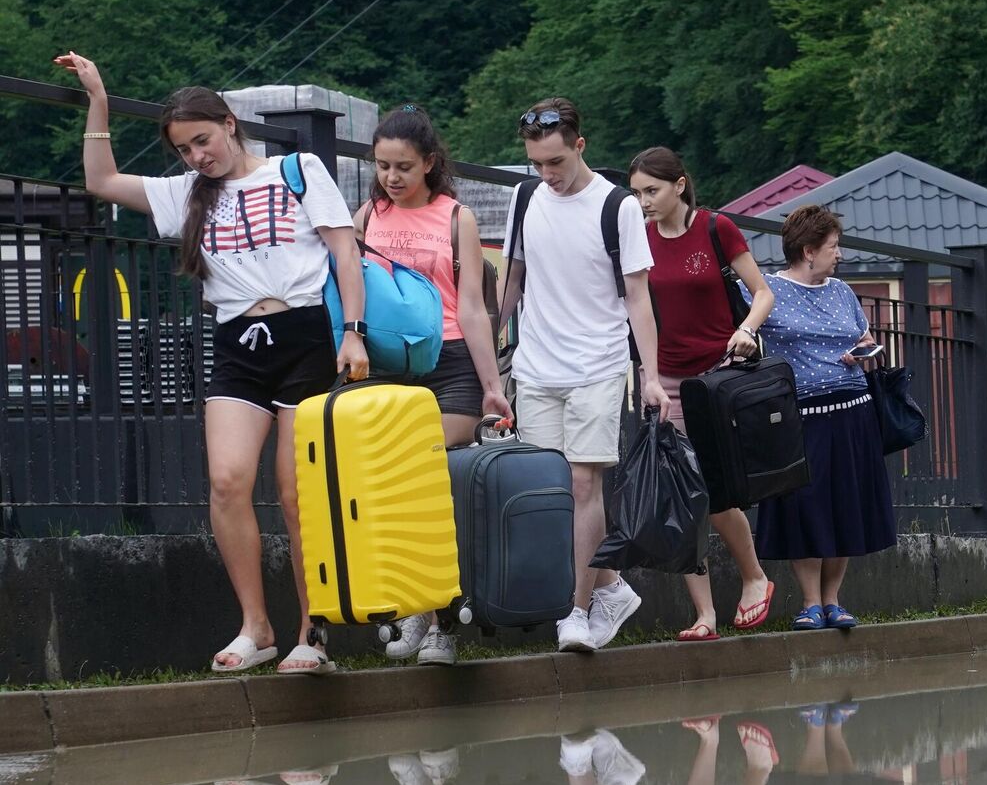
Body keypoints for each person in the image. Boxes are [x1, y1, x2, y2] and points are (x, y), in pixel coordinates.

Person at [56, 51, 369, 675]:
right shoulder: (185, 195)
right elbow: (101, 182)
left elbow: (344, 251)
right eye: (183, 149)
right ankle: (257, 626)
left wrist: (354, 331)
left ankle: (315, 632)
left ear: (229, 123)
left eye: (203, 139)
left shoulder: (297, 169)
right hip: (235, 343)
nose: (198, 156)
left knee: (294, 490)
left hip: (305, 334)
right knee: (227, 481)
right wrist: (98, 99)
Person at [497, 98, 670, 653]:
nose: (546, 174)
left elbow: (639, 297)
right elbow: (512, 279)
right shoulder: (524, 197)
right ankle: (612, 586)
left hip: (597, 363)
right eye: (537, 163)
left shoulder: (617, 206)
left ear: (579, 145)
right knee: (546, 491)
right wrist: (489, 352)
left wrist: (651, 375)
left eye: (555, 162)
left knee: (582, 483)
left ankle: (574, 610)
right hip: (535, 365)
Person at [355, 105, 512, 667]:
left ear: (430, 163)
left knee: (431, 479)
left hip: (449, 362)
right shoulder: (367, 215)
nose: (392, 178)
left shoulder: (456, 218)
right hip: (387, 364)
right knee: (393, 489)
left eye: (403, 167)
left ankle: (444, 621)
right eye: (382, 166)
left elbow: (472, 308)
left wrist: (492, 386)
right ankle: (414, 606)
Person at [627, 147, 778, 643]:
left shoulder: (716, 228)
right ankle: (705, 616)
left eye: (652, 190)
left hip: (717, 378)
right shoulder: (640, 240)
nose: (644, 201)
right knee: (681, 495)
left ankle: (755, 577)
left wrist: (748, 330)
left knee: (714, 493)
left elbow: (763, 293)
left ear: (680, 185)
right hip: (664, 380)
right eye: (637, 193)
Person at [750, 205, 898, 630]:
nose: (840, 254)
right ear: (808, 250)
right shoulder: (767, 290)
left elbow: (867, 339)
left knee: (846, 505)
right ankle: (810, 602)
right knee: (804, 506)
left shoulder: (842, 291)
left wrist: (864, 352)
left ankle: (834, 600)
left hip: (853, 412)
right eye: (833, 247)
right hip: (801, 416)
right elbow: (740, 321)